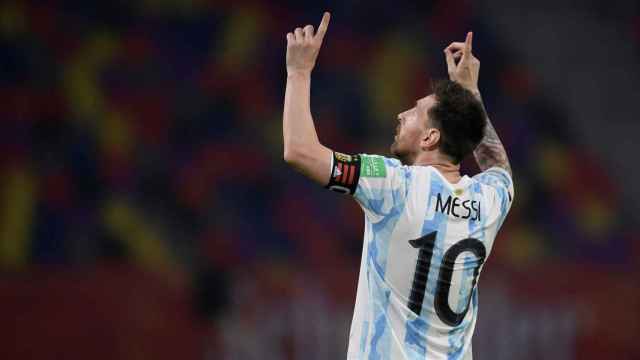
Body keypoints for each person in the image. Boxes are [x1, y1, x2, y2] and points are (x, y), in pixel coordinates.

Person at [283, 12, 513, 360]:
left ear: (431, 136)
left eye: (414, 112)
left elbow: (300, 151)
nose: (401, 115)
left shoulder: (394, 184)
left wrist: (298, 71)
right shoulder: (488, 202)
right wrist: (471, 93)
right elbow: (498, 166)